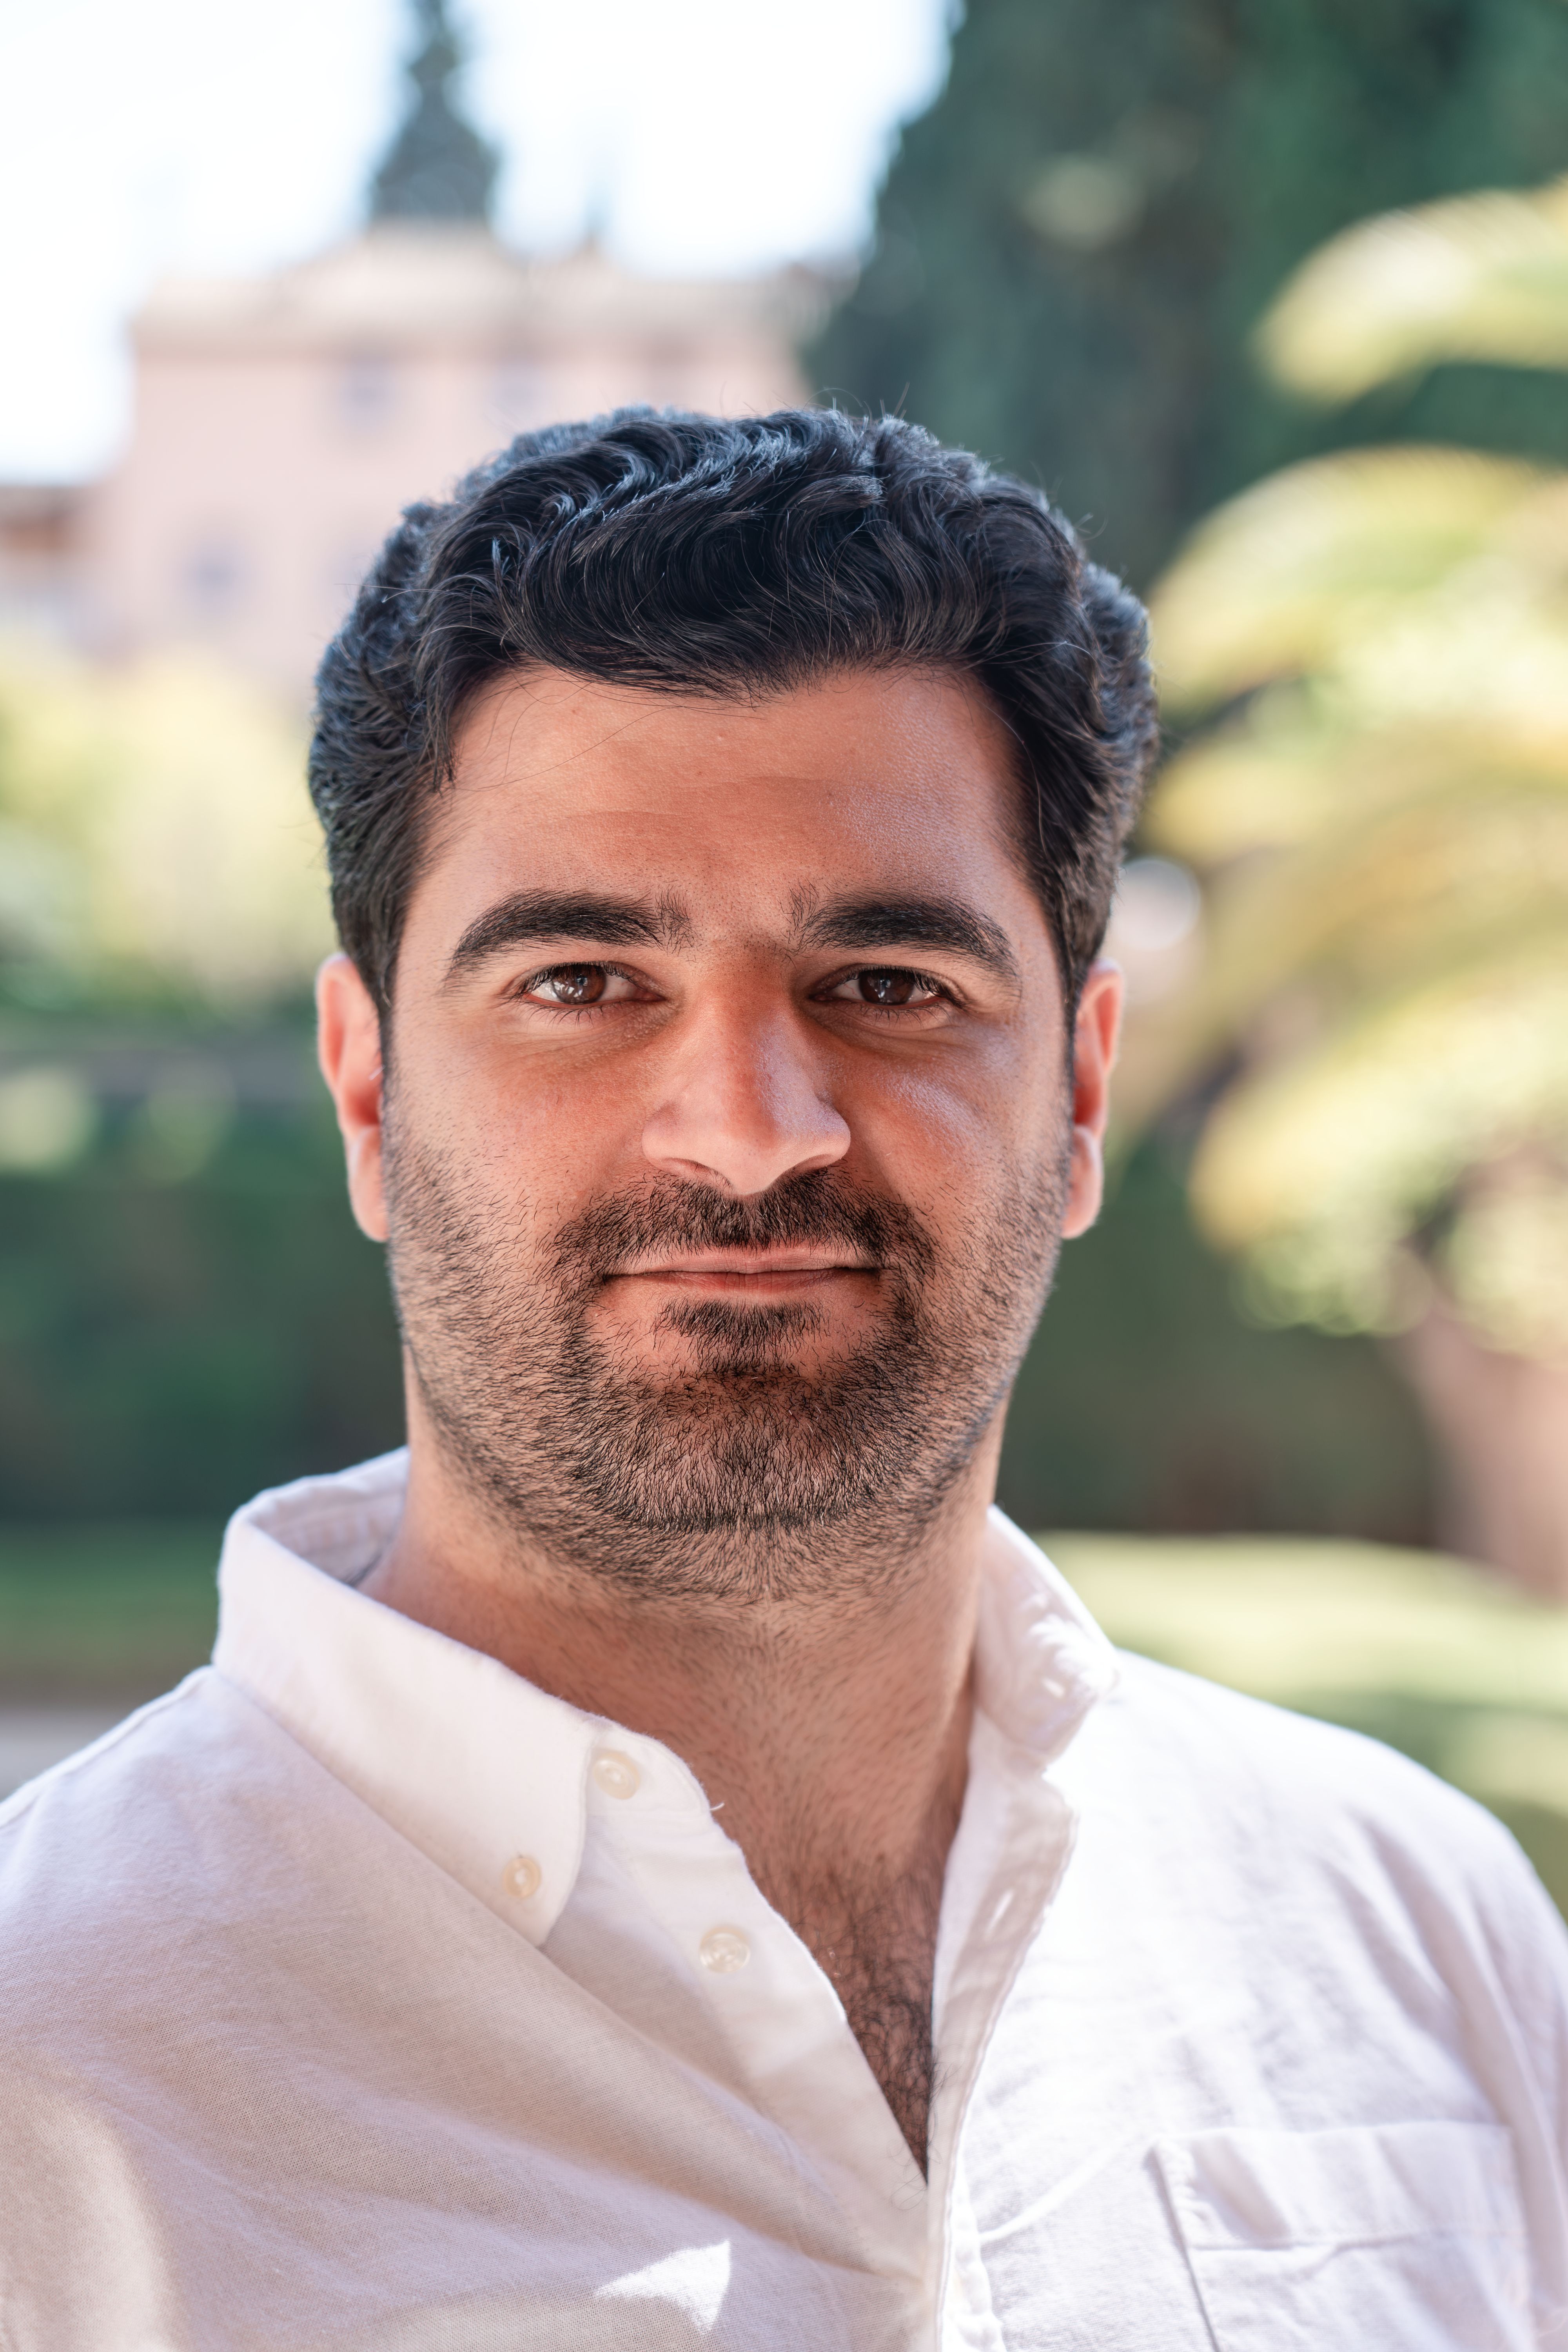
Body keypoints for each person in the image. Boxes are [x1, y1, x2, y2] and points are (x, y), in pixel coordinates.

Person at [3, 410, 1566, 2352]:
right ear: (369, 1090)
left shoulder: (1417, 1935)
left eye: (890, 987)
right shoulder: (49, 2081)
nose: (749, 1131)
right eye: (581, 983)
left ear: (1081, 1089)